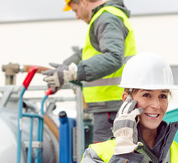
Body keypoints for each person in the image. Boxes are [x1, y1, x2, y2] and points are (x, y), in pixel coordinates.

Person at [42, 0, 136, 142]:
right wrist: (63, 70)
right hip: (110, 106)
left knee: (105, 160)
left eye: (75, 10)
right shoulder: (104, 18)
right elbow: (84, 54)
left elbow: (113, 57)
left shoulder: (107, 18)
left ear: (84, 2)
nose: (77, 16)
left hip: (112, 106)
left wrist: (72, 73)